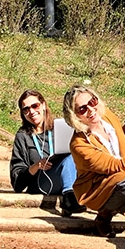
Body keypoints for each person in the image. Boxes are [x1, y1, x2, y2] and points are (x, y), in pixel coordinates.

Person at [63, 84, 125, 238]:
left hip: (124, 170)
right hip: (100, 187)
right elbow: (117, 166)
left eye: (92, 102)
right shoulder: (79, 144)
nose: (91, 110)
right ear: (74, 115)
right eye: (82, 109)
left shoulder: (106, 116)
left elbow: (119, 137)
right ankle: (104, 216)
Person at [10, 89, 86, 217]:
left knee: (70, 157)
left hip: (65, 175)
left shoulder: (61, 128)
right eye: (26, 109)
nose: (31, 112)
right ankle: (69, 197)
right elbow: (17, 183)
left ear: (43, 105)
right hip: (40, 183)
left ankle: (70, 195)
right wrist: (36, 166)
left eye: (35, 106)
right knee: (68, 159)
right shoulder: (23, 136)